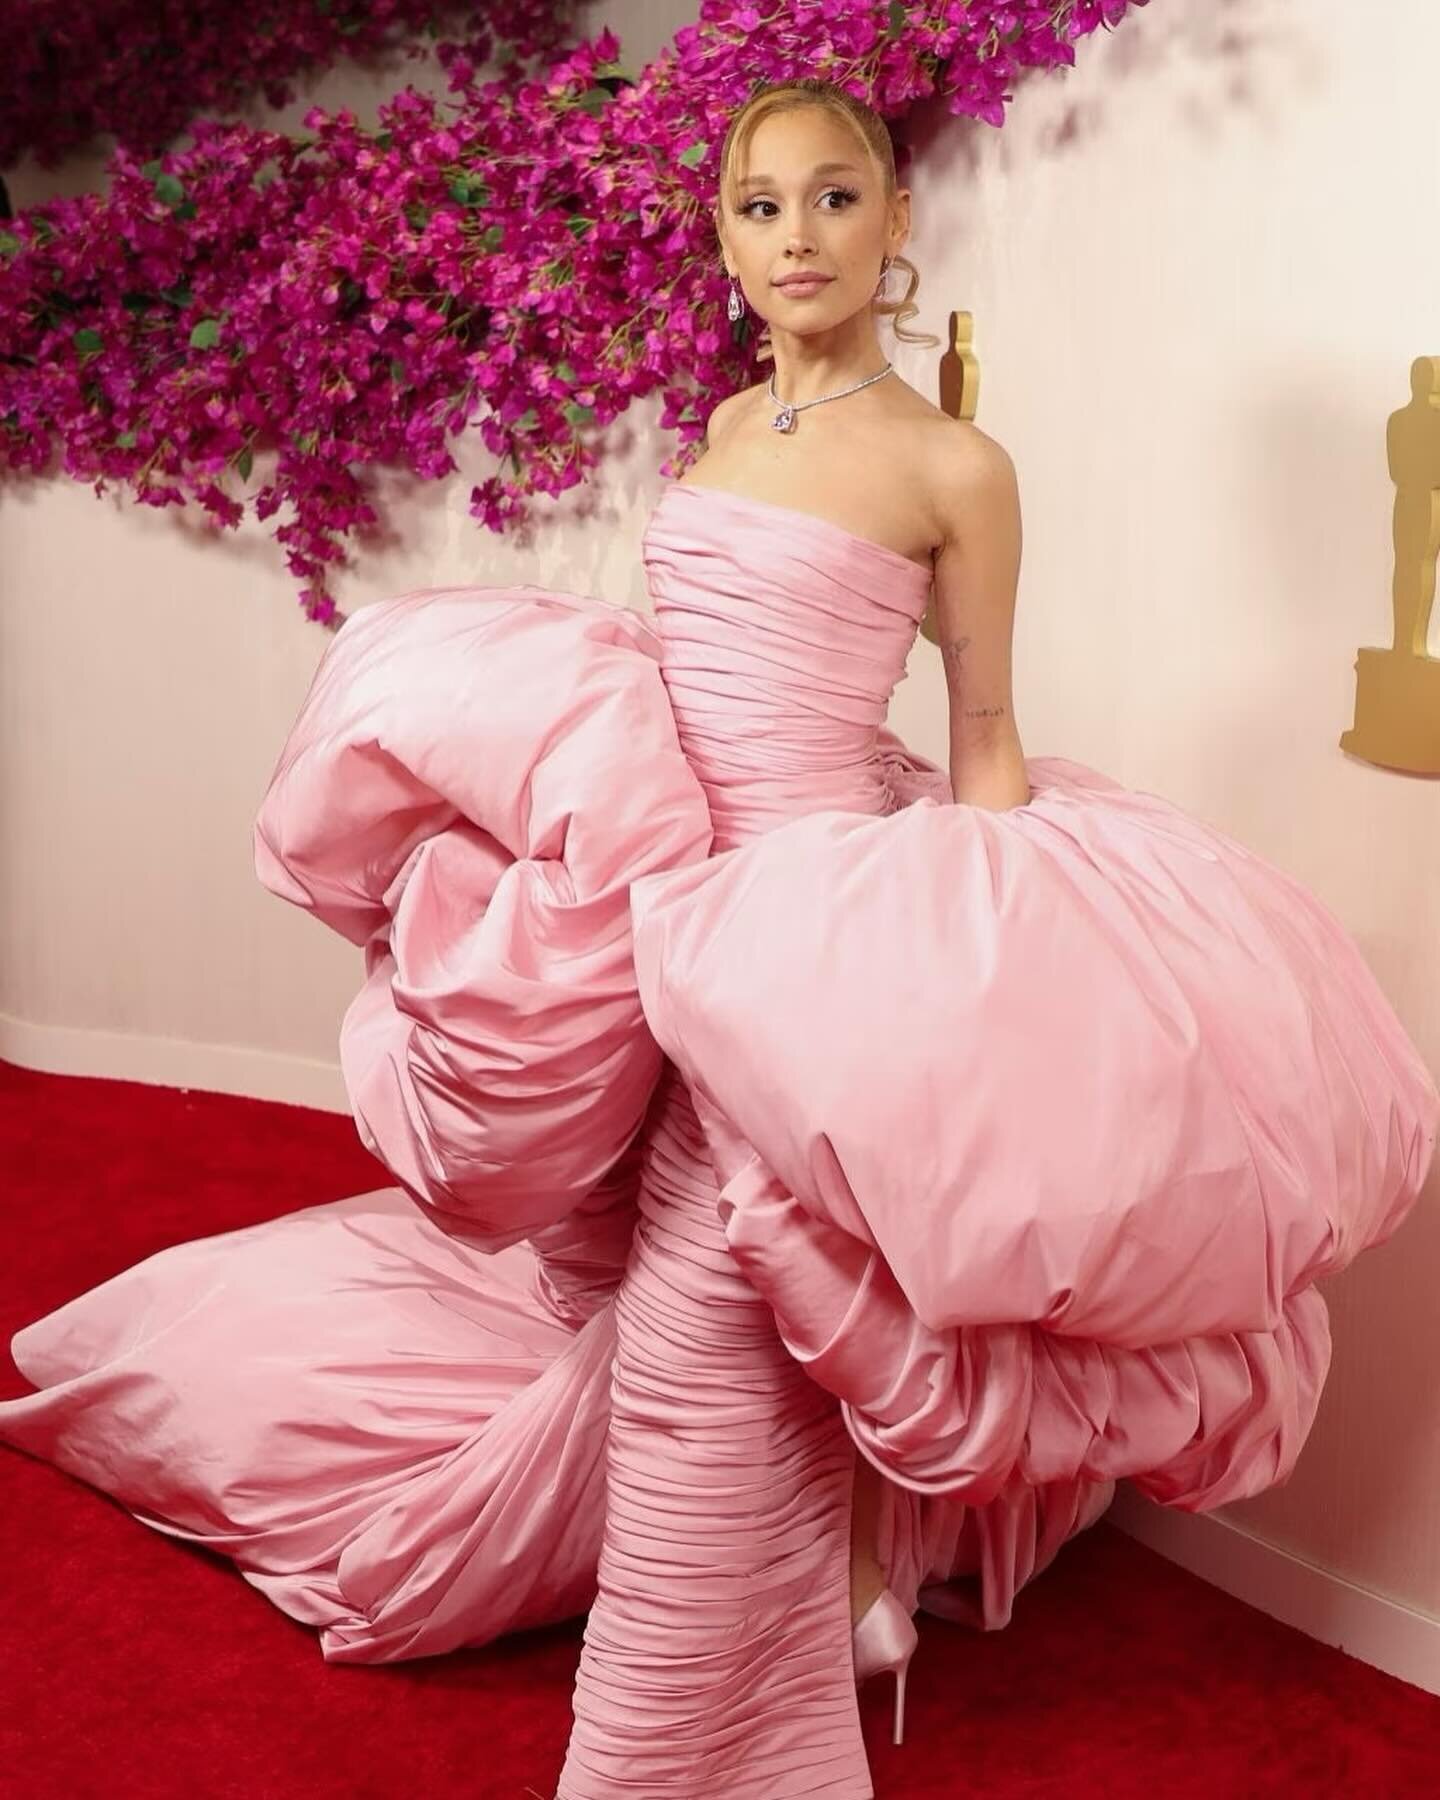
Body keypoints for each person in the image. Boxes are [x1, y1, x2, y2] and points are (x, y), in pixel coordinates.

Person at [2, 77, 1436, 1800]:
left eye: (835, 200)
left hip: (813, 947)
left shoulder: (955, 461)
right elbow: (684, 690)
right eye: (760, 208)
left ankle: (681, 1752)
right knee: (727, 1323)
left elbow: (986, 735)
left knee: (711, 1351)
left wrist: (957, 1005)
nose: (797, 238)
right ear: (725, 241)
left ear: (897, 223)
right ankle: (848, 1586)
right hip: (673, 925)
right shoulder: (723, 435)